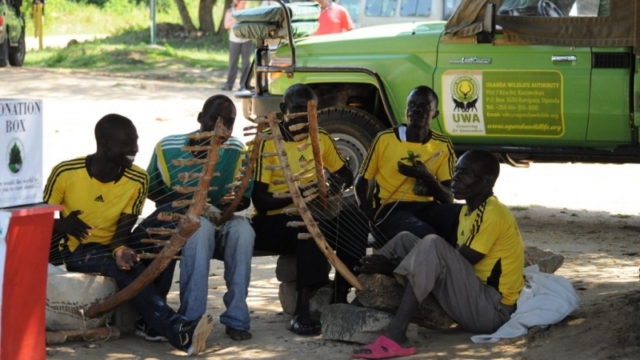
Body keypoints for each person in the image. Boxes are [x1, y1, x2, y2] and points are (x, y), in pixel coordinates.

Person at [44, 114, 213, 356]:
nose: (135, 149)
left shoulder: (138, 179)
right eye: (128, 143)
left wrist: (120, 250)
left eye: (136, 142)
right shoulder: (65, 172)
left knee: (173, 214)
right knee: (128, 271)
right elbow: (34, 220)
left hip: (114, 243)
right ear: (105, 144)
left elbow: (122, 232)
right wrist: (62, 225)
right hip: (78, 251)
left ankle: (149, 321)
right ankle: (178, 330)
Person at [352, 149, 525, 359]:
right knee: (405, 239)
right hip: (474, 295)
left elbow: (460, 261)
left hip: (492, 310)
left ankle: (396, 336)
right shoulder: (467, 211)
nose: (456, 178)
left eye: (466, 173)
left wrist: (392, 268)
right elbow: (451, 263)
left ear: (487, 181)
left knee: (432, 244)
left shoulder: (492, 213)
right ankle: (357, 302)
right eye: (456, 170)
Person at [133, 95, 256, 341]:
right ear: (200, 119)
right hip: (188, 220)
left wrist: (234, 201)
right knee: (200, 230)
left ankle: (237, 318)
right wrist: (185, 202)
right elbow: (150, 189)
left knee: (244, 232)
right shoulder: (168, 147)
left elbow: (243, 195)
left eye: (229, 123)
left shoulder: (235, 148)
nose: (223, 128)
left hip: (222, 217)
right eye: (215, 120)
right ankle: (191, 319)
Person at [251, 83, 366, 335]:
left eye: (311, 113)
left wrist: (335, 185)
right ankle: (302, 311)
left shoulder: (320, 137)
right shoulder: (268, 141)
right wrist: (298, 196)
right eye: (299, 111)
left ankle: (339, 294)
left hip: (313, 214)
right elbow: (260, 201)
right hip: (272, 222)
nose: (305, 118)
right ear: (284, 109)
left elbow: (345, 174)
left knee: (355, 219)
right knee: (309, 225)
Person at [355, 85, 457, 247]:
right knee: (425, 234)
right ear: (406, 110)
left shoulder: (442, 145)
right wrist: (368, 211)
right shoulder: (385, 139)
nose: (415, 111)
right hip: (391, 209)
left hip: (427, 208)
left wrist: (425, 176)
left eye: (424, 107)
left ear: (434, 114)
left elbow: (448, 198)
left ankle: (453, 267)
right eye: (411, 105)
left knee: (461, 216)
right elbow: (362, 180)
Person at [223, 0, 253, 91]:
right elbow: (226, 25)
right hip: (234, 40)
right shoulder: (230, 11)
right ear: (237, 2)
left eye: (245, 3)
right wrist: (235, 20)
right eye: (242, 3)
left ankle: (244, 85)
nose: (244, 4)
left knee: (246, 63)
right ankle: (229, 84)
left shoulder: (248, 12)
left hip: (247, 40)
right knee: (233, 63)